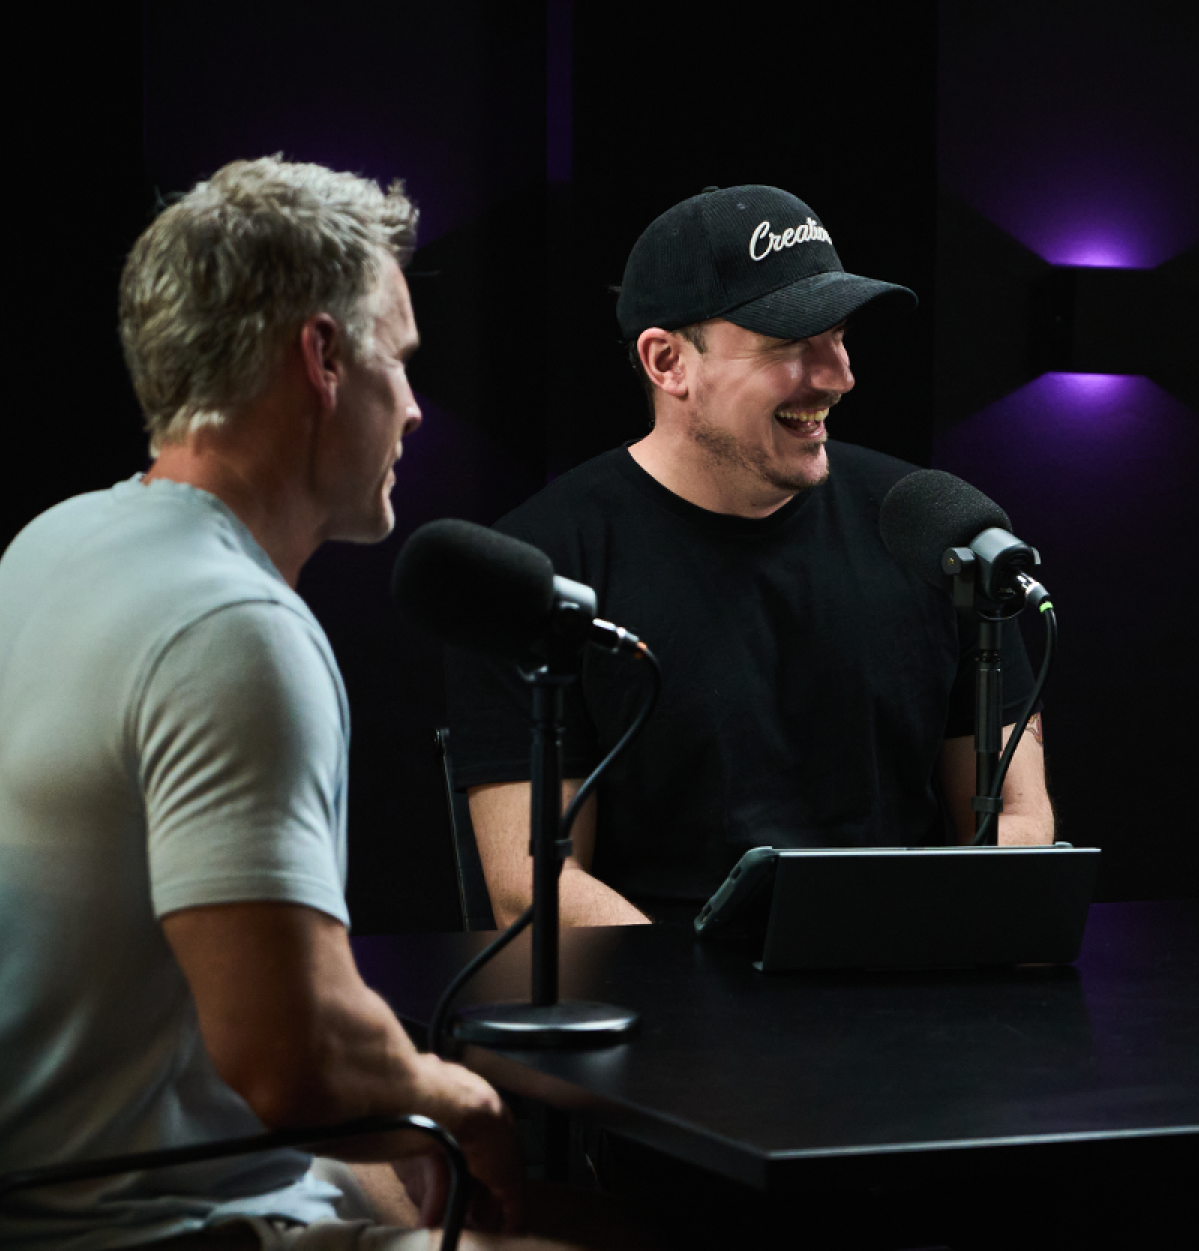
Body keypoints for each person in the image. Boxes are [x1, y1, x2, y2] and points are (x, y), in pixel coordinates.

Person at [0, 157, 562, 1250]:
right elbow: (288, 1059)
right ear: (322, 356)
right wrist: (462, 1099)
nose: (413, 410)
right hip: (161, 1223)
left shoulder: (53, 544)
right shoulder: (232, 625)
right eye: (399, 362)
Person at [445, 184, 1053, 926]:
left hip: (901, 977)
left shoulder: (931, 530)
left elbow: (1019, 815)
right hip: (658, 988)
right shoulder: (540, 568)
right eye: (792, 345)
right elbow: (532, 879)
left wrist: (918, 950)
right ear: (668, 361)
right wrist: (701, 986)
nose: (839, 375)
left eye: (839, 335)